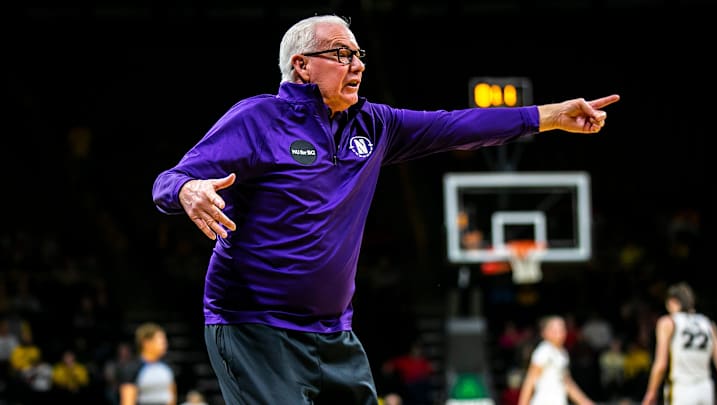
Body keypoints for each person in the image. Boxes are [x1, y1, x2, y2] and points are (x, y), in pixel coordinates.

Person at [151, 14, 619, 405]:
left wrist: (550, 117)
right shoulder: (257, 119)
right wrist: (189, 191)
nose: (356, 64)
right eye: (341, 54)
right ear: (302, 66)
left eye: (358, 55)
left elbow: (455, 125)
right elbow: (167, 181)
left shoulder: (375, 125)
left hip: (334, 332)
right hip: (255, 328)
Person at [641, 282, 717, 405]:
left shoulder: (668, 322)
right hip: (706, 389)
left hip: (681, 389)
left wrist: (651, 392)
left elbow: (661, 363)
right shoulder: (709, 324)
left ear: (672, 302)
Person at [517, 315, 595, 405]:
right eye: (555, 330)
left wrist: (586, 402)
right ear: (545, 332)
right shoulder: (543, 351)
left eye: (562, 329)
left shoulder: (563, 353)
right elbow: (530, 380)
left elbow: (568, 384)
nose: (560, 333)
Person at [118, 322, 177, 405]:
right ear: (146, 343)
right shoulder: (132, 368)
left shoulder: (168, 366)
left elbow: (172, 396)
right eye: (161, 341)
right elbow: (128, 401)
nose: (165, 344)